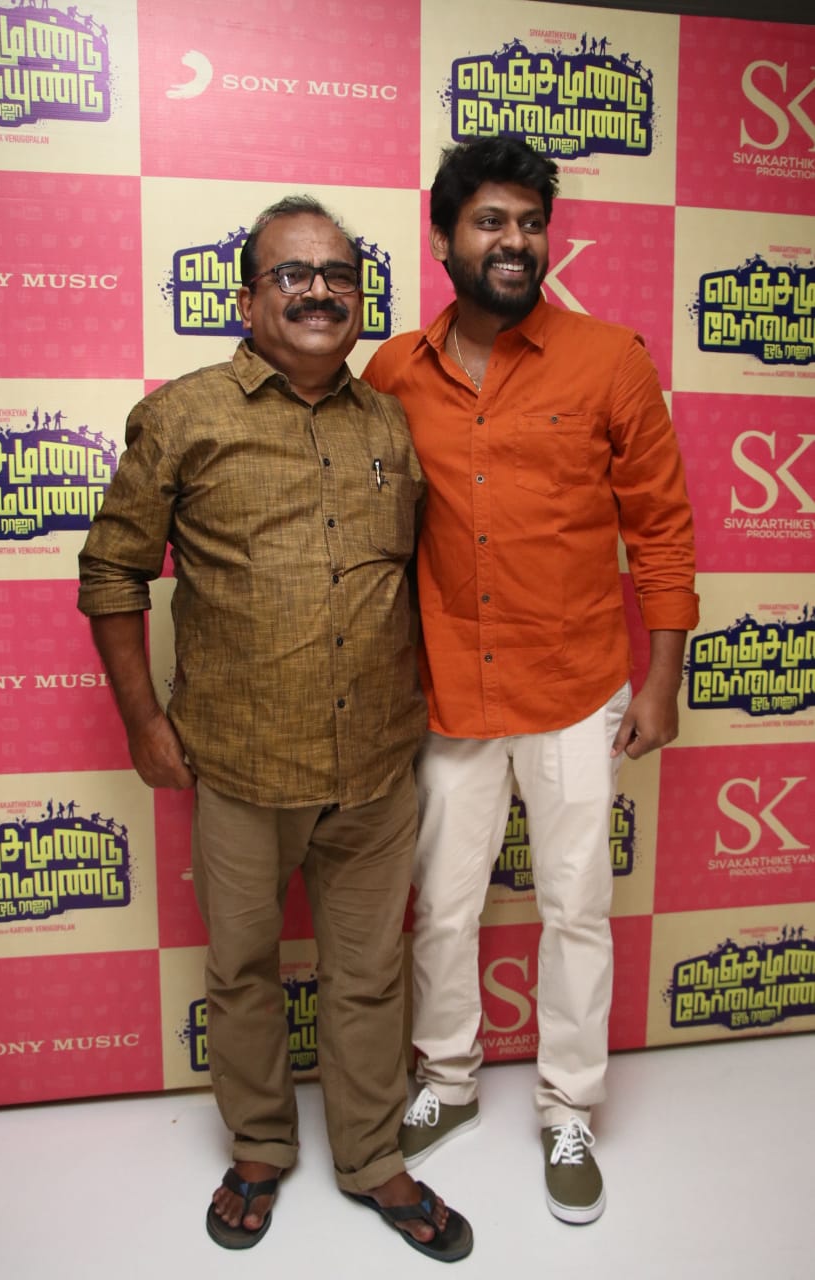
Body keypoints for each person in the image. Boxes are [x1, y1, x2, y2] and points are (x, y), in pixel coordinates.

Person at [77, 195, 473, 1262]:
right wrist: (141, 721)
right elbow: (110, 571)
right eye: (292, 274)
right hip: (241, 768)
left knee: (369, 975)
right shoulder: (183, 415)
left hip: (377, 769)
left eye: (339, 275)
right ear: (248, 297)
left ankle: (371, 1156)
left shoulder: (391, 422)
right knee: (244, 970)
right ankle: (258, 1146)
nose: (318, 292)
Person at [363, 139, 699, 1225]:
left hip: (574, 686)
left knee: (577, 908)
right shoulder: (392, 372)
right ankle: (448, 1077)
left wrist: (660, 681)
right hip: (446, 691)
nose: (513, 242)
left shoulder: (609, 360)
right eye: (489, 222)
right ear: (443, 238)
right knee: (442, 909)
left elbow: (661, 529)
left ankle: (568, 1105)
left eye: (529, 222)